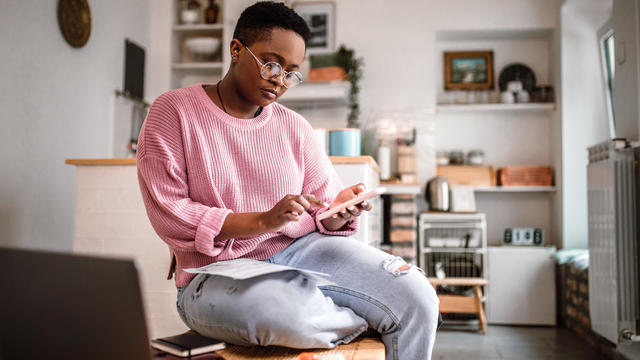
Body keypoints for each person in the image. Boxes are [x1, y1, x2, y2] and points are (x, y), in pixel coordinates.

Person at [136, 2, 440, 359]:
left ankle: (352, 312)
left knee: (418, 296)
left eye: (291, 72)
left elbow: (323, 208)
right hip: (213, 274)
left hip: (302, 252)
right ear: (236, 50)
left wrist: (338, 212)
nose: (279, 79)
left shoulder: (293, 126)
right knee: (281, 312)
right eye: (271, 63)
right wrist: (263, 221)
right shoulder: (173, 111)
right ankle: (369, 317)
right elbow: (169, 213)